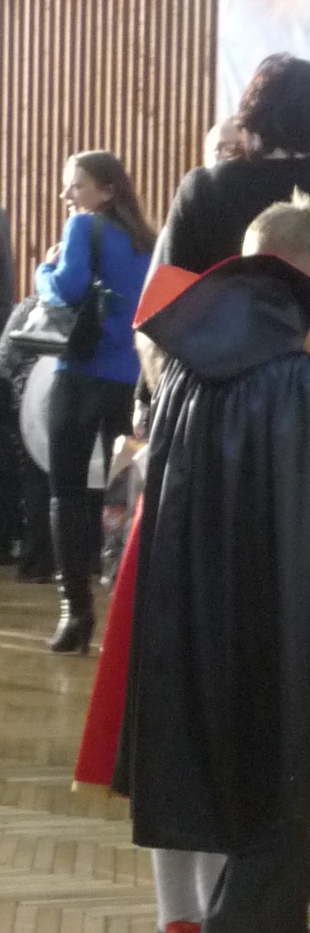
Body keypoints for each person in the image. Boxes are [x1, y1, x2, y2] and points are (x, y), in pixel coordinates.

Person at [116, 197, 310, 933]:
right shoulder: (304, 383)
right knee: (282, 772)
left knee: (246, 768)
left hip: (197, 610)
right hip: (283, 613)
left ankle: (280, 929)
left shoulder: (185, 367)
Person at [152, 55, 310, 411]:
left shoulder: (204, 191)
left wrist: (152, 398)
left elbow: (168, 308)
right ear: (309, 124)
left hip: (226, 403)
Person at [34, 153, 154, 655]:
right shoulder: (149, 241)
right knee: (127, 498)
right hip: (132, 380)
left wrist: (44, 268)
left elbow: (66, 288)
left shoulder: (83, 227)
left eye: (76, 186)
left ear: (107, 191)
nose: (67, 195)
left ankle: (75, 613)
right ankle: (132, 618)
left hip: (81, 375)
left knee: (65, 492)